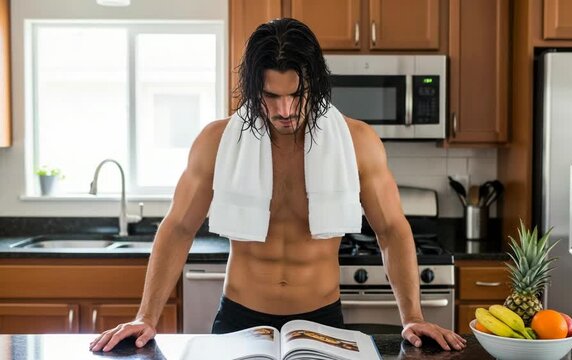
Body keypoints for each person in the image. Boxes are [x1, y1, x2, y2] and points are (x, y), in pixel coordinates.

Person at [89, 18, 466, 353]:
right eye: (271, 96)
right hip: (239, 319)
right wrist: (146, 316)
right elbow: (178, 228)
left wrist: (412, 316)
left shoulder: (357, 141)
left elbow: (392, 230)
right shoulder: (216, 141)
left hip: (322, 321)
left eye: (296, 94)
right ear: (253, 89)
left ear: (315, 84)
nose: (284, 110)